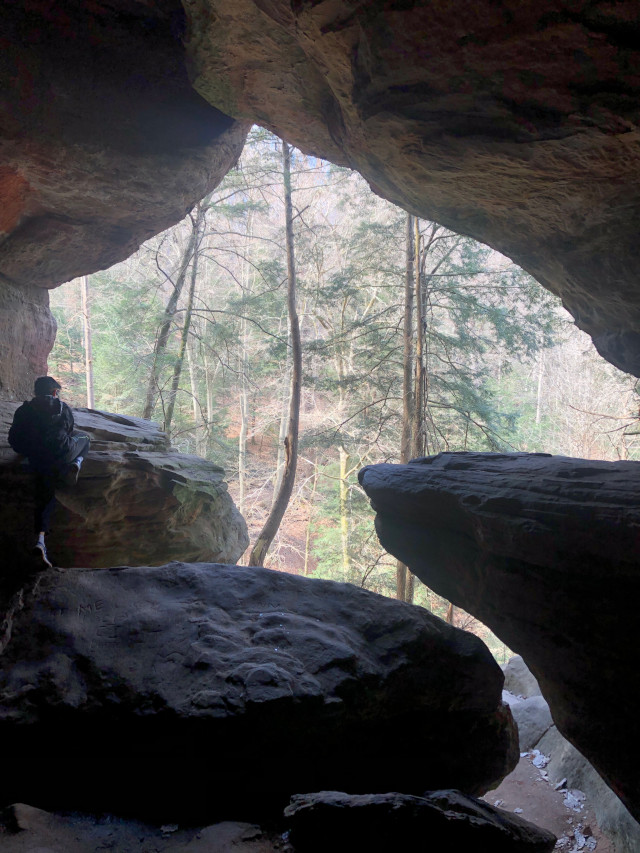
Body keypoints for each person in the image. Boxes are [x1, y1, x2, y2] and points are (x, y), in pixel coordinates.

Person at [8, 376, 90, 568]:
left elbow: (14, 439)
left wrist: (27, 449)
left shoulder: (24, 410)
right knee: (85, 438)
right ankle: (77, 462)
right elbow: (69, 431)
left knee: (44, 492)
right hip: (60, 456)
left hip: (36, 458)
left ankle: (40, 540)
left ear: (36, 391)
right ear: (54, 392)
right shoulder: (63, 408)